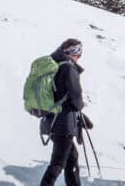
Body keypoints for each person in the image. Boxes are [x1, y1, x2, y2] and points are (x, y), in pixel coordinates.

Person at [40, 38, 86, 186]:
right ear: (73, 53)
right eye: (79, 55)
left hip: (53, 120)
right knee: (58, 163)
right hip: (63, 123)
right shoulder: (67, 67)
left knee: (71, 158)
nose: (79, 59)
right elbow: (75, 95)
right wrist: (79, 106)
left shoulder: (56, 65)